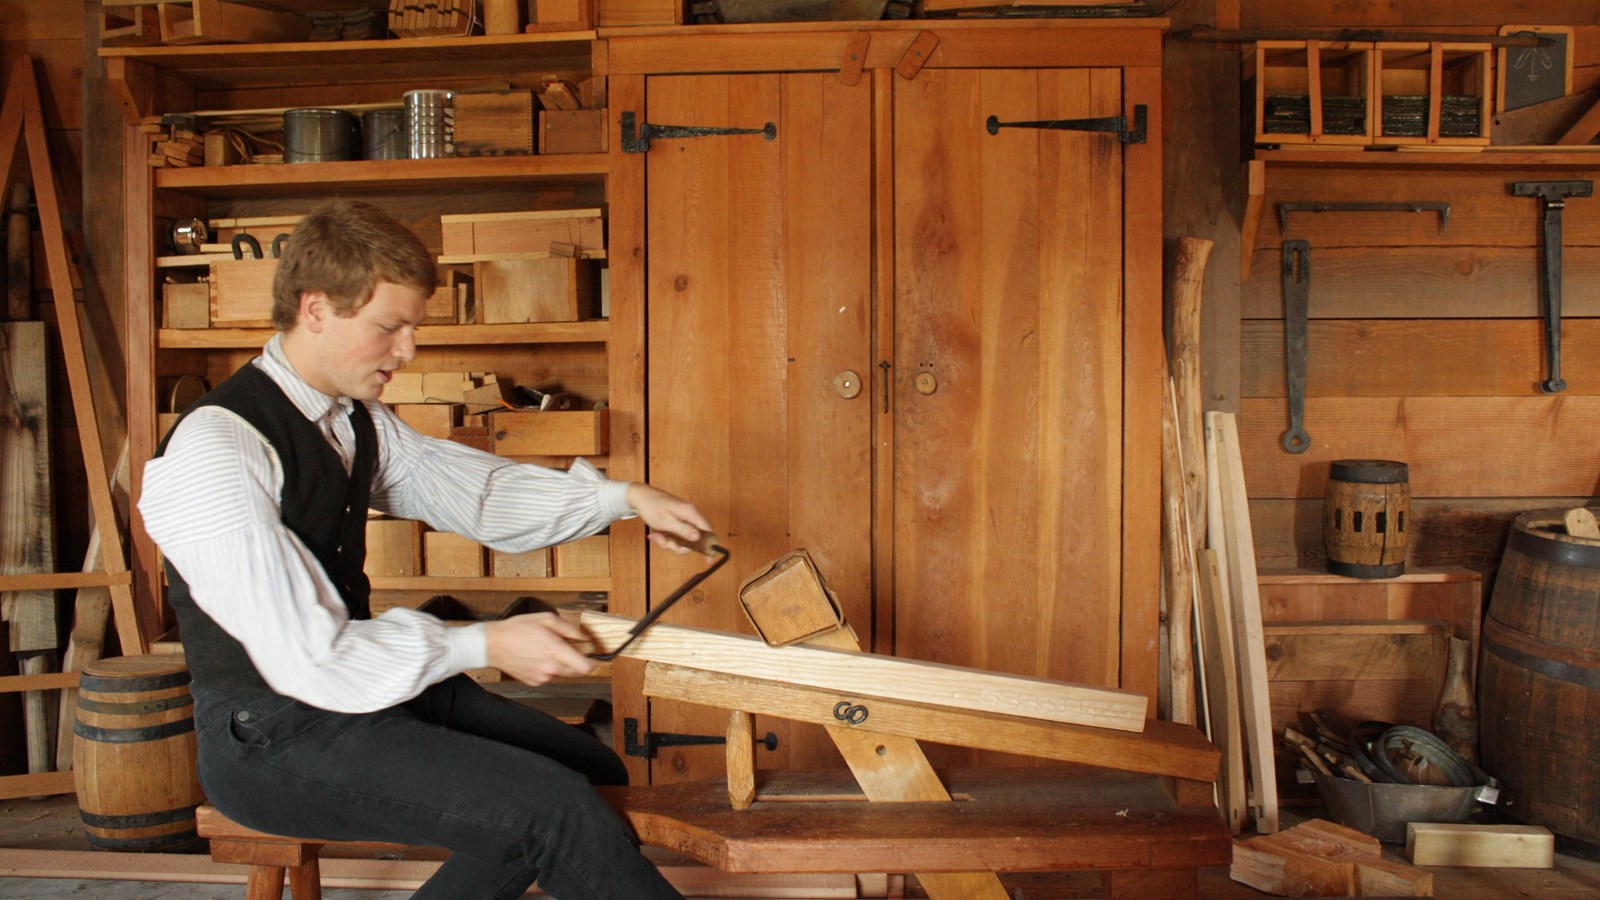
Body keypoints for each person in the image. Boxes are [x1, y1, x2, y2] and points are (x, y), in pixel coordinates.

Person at [139, 199, 703, 900]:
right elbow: (309, 658)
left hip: (353, 699)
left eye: (413, 328)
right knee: (550, 812)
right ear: (315, 310)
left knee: (588, 769)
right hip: (270, 734)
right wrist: (484, 645)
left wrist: (625, 499)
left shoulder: (353, 420)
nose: (407, 351)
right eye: (389, 327)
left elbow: (478, 496)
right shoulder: (216, 450)